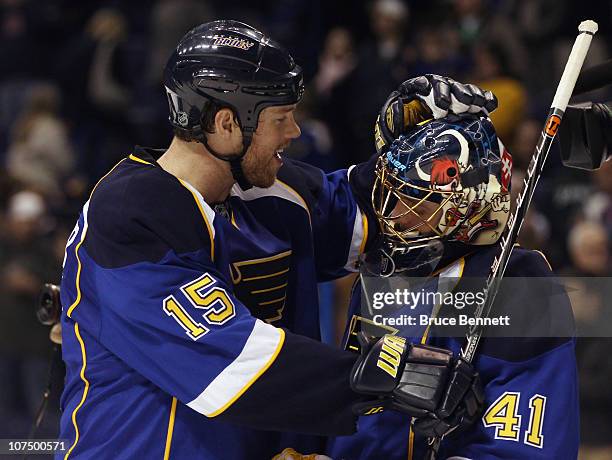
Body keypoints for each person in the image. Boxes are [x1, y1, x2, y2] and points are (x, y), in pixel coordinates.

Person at [57, 20, 497, 459]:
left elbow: (380, 210)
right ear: (227, 124)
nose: (295, 132)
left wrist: (411, 145)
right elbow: (229, 366)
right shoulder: (128, 213)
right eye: (281, 119)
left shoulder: (269, 189)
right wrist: (385, 375)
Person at [326, 107, 579, 459]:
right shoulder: (379, 269)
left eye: (411, 202)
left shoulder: (513, 281)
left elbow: (523, 449)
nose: (392, 214)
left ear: (463, 208)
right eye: (391, 196)